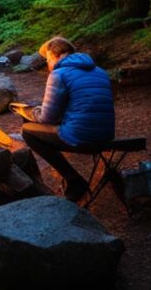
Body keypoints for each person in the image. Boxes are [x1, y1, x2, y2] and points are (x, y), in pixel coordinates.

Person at [21, 37, 114, 202]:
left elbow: (47, 117)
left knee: (28, 130)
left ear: (54, 55)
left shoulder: (59, 74)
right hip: (106, 135)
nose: (48, 64)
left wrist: (31, 112)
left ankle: (74, 180)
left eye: (48, 59)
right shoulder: (100, 71)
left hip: (81, 137)